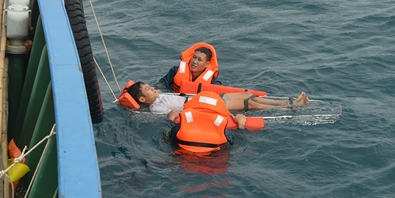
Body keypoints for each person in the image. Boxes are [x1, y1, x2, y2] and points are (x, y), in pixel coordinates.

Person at [124, 81, 309, 115]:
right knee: (250, 104)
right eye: (148, 89)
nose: (153, 88)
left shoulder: (160, 96)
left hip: (203, 97)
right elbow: (175, 113)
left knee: (248, 95)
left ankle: (288, 102)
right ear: (142, 100)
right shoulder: (155, 108)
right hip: (201, 104)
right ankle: (289, 108)